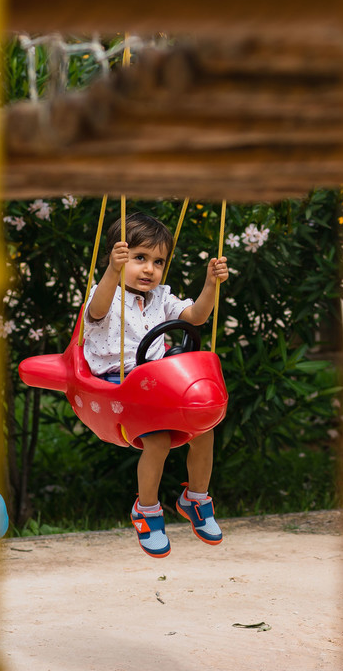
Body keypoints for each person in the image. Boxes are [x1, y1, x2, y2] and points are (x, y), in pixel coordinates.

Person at [84, 211, 230, 558]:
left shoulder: (161, 297)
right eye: (139, 258)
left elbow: (195, 317)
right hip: (118, 382)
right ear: (119, 257)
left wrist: (211, 285)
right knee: (159, 440)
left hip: (156, 382)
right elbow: (97, 310)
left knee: (205, 429)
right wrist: (111, 270)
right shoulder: (106, 294)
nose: (149, 269)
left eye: (158, 261)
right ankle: (146, 510)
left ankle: (195, 499)